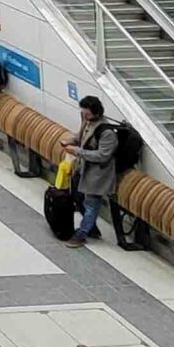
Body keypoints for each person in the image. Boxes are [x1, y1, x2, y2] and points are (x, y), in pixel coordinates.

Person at [61, 96, 120, 247]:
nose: (84, 116)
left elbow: (103, 155)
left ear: (96, 113)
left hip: (97, 175)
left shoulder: (107, 132)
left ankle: (82, 233)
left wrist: (78, 151)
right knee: (77, 195)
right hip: (83, 168)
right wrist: (71, 141)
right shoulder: (88, 122)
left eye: (87, 114)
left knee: (91, 204)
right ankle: (90, 228)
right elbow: (82, 137)